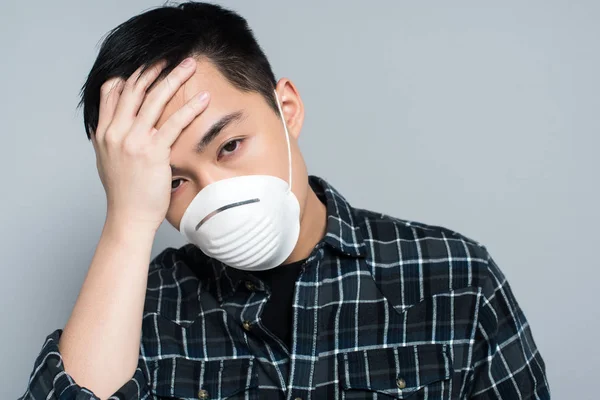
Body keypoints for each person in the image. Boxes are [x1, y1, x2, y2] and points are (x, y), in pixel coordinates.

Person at [20, 2, 549, 399]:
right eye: (173, 181)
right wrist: (127, 223)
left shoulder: (455, 278)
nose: (215, 193)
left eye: (230, 146)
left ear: (287, 110)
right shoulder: (142, 310)